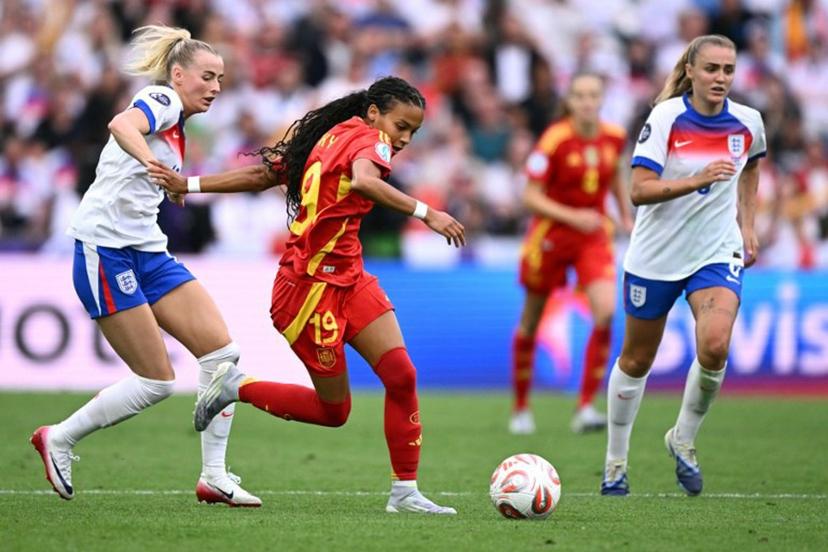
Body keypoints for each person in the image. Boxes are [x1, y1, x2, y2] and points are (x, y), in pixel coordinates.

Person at [148, 76, 466, 514]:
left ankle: (404, 492)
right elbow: (365, 181)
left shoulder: (330, 134)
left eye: (413, 131)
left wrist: (190, 185)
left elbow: (264, 174)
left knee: (401, 376)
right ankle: (236, 387)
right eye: (401, 126)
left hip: (349, 278)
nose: (405, 138)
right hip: (309, 291)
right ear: (373, 113)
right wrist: (428, 212)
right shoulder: (372, 144)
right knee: (334, 412)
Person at [30, 25, 261, 507]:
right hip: (104, 250)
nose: (216, 87)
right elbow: (121, 124)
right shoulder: (162, 100)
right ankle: (59, 438)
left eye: (221, 78)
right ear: (178, 76)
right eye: (207, 76)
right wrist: (157, 169)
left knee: (222, 356)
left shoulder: (178, 123)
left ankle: (214, 477)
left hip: (148, 251)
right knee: (156, 381)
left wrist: (170, 181)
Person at [600, 34, 765, 496]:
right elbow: (639, 190)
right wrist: (696, 179)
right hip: (656, 255)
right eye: (711, 69)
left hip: (715, 251)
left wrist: (747, 225)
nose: (721, 78)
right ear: (690, 71)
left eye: (728, 70)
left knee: (714, 346)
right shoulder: (667, 118)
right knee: (637, 359)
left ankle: (684, 440)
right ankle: (616, 462)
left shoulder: (748, 121)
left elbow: (752, 166)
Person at [509, 73, 633, 435]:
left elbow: (615, 176)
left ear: (602, 98)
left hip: (592, 234)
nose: (587, 102)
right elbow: (529, 196)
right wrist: (572, 216)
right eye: (579, 96)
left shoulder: (614, 137)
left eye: (593, 95)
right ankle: (520, 407)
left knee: (606, 312)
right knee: (531, 320)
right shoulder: (554, 140)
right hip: (552, 234)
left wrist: (624, 214)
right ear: (570, 101)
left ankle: (585, 408)